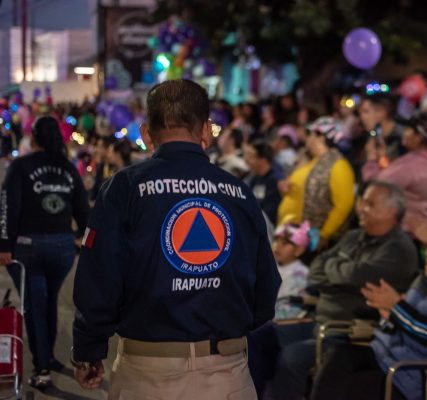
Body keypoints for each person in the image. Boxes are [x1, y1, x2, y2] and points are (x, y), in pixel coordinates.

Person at [71, 79, 281, 400]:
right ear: (206, 132)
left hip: (148, 375)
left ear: (146, 134)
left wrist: (89, 348)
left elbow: (98, 280)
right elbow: (266, 288)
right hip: (228, 375)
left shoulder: (124, 189)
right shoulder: (240, 193)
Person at [265, 181, 419, 400]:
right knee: (261, 337)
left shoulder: (399, 249)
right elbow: (316, 271)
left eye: (369, 204)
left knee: (292, 358)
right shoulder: (353, 236)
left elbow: (356, 277)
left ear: (391, 212)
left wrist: (335, 270)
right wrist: (341, 275)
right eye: (362, 201)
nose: (361, 207)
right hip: (318, 321)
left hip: (349, 332)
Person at [310, 225, 427, 400]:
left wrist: (396, 308)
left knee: (349, 387)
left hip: (413, 374)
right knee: (338, 355)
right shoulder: (426, 279)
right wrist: (388, 314)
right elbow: (404, 316)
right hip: (385, 354)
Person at [0, 116, 90, 388]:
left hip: (29, 248)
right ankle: (47, 357)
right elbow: (83, 209)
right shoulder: (68, 168)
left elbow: (8, 207)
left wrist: (4, 245)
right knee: (48, 302)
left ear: (33, 138)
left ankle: (41, 368)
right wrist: (84, 239)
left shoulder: (21, 166)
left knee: (35, 306)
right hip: (62, 249)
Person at [362, 111, 427, 238]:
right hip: (411, 233)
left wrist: (371, 159)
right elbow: (393, 175)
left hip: (401, 234)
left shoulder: (414, 164)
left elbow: (376, 186)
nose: (404, 133)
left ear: (419, 137)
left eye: (408, 130)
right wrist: (382, 157)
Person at [277, 116, 355, 249]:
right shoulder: (312, 162)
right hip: (293, 236)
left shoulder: (339, 165)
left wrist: (324, 234)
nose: (306, 138)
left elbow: (344, 205)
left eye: (310, 133)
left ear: (321, 137)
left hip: (313, 241)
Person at [272, 222, 312, 320]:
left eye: (285, 243)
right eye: (276, 240)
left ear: (299, 250)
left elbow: (292, 312)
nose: (277, 245)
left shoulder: (302, 275)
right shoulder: (268, 264)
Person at [243, 140, 283, 225]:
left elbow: (270, 214)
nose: (247, 160)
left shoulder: (275, 181)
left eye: (251, 157)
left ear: (262, 160)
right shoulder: (254, 178)